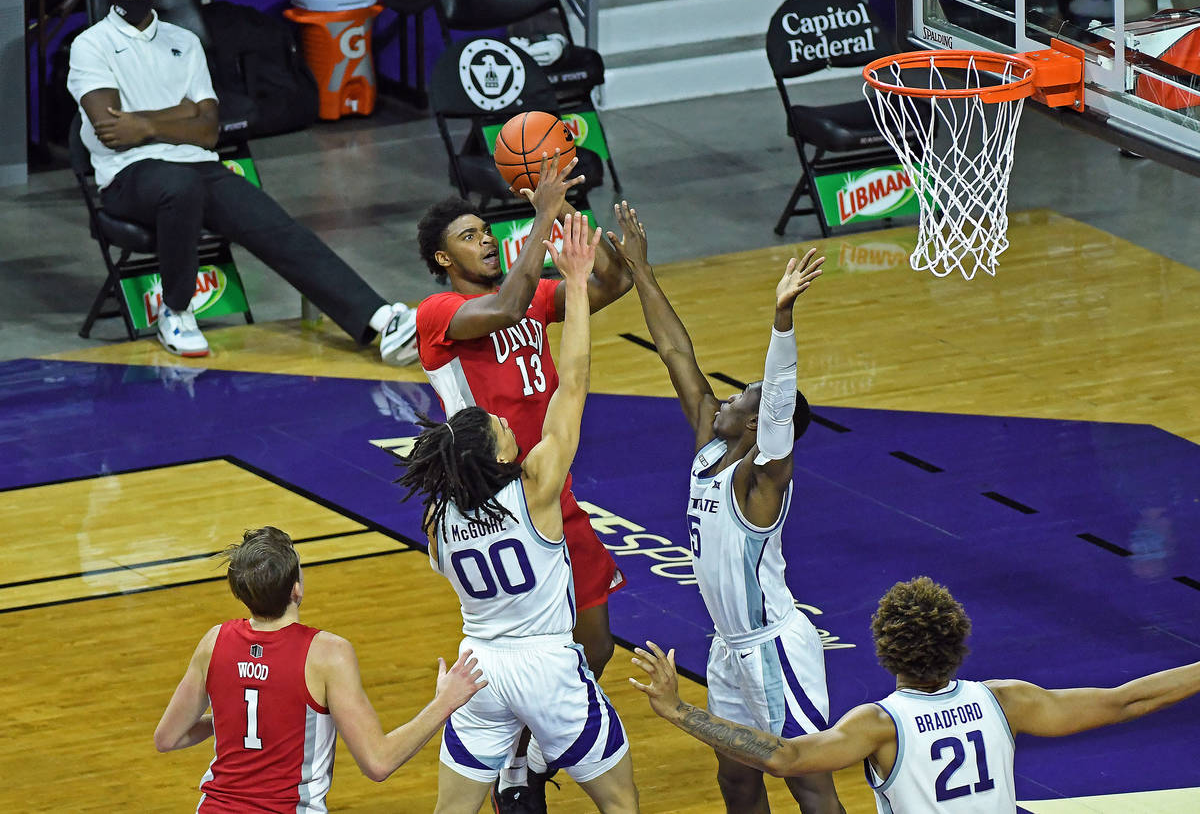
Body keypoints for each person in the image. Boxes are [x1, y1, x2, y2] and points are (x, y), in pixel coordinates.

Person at [68, 0, 419, 362]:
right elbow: (111, 129)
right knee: (179, 186)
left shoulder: (185, 42)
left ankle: (381, 320)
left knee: (273, 223)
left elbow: (208, 131)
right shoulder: (91, 45)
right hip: (129, 176)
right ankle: (175, 311)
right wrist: (181, 114)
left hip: (198, 165)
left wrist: (145, 123)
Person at [398, 212, 639, 814]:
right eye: (468, 236)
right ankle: (517, 755)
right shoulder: (439, 312)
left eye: (486, 230)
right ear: (442, 259)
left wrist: (593, 238)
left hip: (548, 495)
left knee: (598, 644)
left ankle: (525, 754)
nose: (484, 239)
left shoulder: (531, 294)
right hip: (502, 492)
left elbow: (612, 284)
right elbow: (519, 319)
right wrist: (544, 213)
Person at [608, 203, 843, 814]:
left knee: (808, 783)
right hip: (728, 647)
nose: (728, 398)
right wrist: (640, 269)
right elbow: (675, 353)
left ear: (761, 425)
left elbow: (778, 401)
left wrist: (782, 319)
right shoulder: (710, 448)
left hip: (775, 650)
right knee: (737, 781)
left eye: (742, 397)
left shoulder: (759, 481)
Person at [631, 575, 1200, 813]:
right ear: (958, 643)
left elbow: (783, 757)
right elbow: (1128, 700)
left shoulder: (880, 725)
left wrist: (678, 709)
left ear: (885, 650)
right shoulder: (1006, 701)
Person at [153, 525, 487, 812]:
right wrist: (445, 702)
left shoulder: (214, 642)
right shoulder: (327, 654)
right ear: (295, 589)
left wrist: (231, 720)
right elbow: (379, 762)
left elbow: (168, 738)